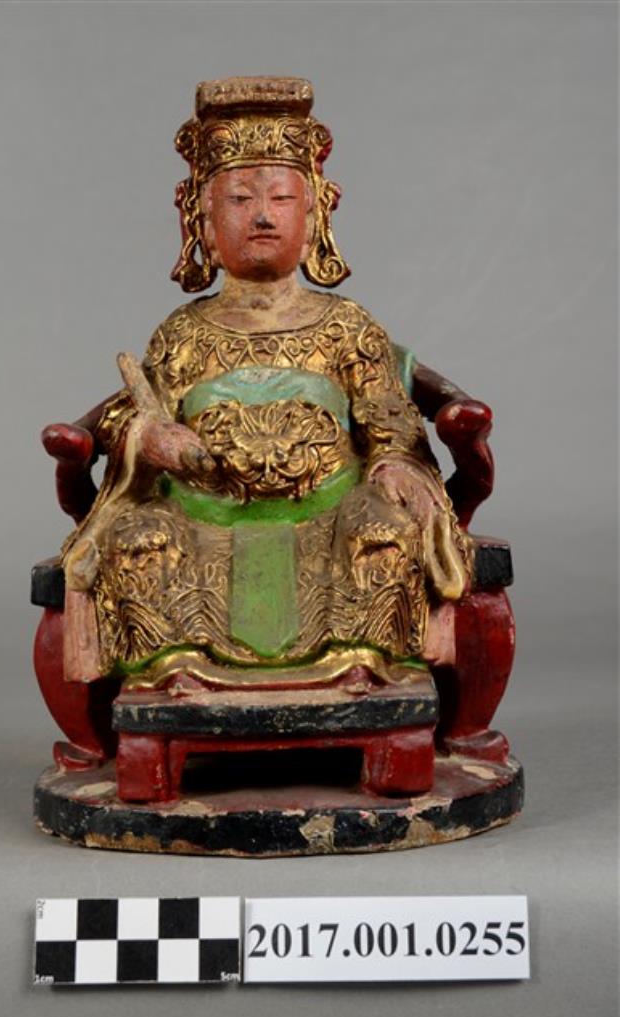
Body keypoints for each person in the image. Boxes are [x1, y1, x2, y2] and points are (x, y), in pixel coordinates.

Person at [59, 77, 470, 693]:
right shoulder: (184, 332)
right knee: (140, 540)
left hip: (329, 511)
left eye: (281, 198)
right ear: (203, 220)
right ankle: (175, 675)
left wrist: (393, 464)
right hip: (204, 518)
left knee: (383, 532)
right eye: (239, 199)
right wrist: (151, 441)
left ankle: (363, 668)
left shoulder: (346, 326)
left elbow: (389, 418)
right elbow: (132, 416)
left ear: (315, 214)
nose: (261, 215)